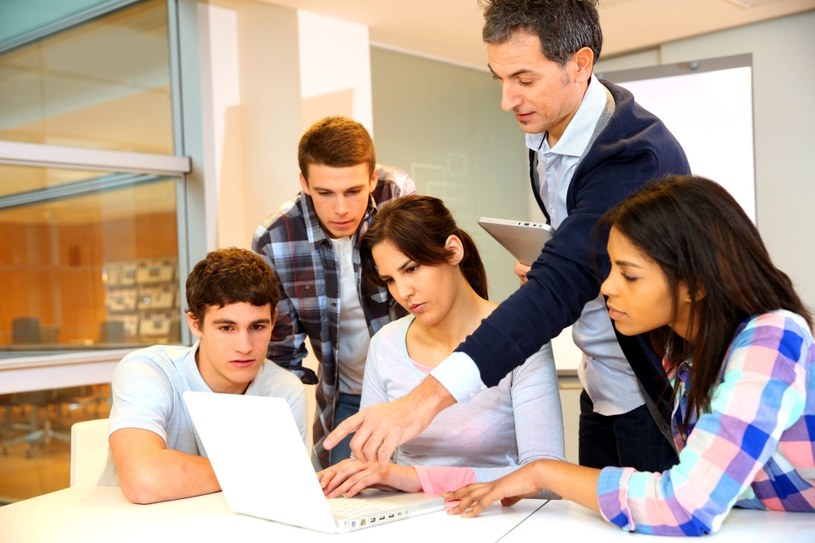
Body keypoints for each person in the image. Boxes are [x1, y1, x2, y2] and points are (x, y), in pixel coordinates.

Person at [325, 0, 690, 472]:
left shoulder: (635, 157)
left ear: (580, 64)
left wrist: (422, 402)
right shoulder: (548, 132)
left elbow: (566, 283)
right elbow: (584, 256)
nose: (507, 100)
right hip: (602, 385)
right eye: (500, 79)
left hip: (651, 392)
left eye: (524, 79)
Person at [446, 175, 815, 535]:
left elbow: (684, 505)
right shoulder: (685, 353)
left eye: (630, 275)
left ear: (695, 283)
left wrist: (542, 471)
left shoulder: (772, 339)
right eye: (610, 269)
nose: (607, 287)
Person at [317, 195, 564, 498]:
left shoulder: (522, 336)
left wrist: (414, 478)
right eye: (390, 280)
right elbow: (371, 464)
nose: (403, 293)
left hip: (501, 522)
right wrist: (351, 477)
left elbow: (547, 476)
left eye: (412, 269)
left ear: (452, 251)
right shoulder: (387, 344)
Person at [252, 116, 415, 468]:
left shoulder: (396, 198)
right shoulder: (274, 239)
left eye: (354, 191)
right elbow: (284, 356)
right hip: (345, 397)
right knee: (341, 499)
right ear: (304, 183)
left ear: (373, 179)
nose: (341, 209)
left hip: (416, 387)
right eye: (325, 193)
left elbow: (432, 296)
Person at [105, 247, 307, 504]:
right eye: (226, 327)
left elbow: (288, 492)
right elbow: (144, 480)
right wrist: (258, 472)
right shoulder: (148, 370)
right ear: (195, 323)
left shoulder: (284, 391)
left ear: (273, 320)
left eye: (257, 326)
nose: (245, 346)